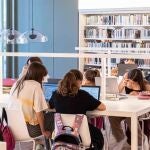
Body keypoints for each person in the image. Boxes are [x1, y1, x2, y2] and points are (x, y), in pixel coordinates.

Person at [49, 69, 106, 150]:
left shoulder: (56, 94)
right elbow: (102, 107)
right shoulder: (83, 95)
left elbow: (49, 105)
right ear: (78, 81)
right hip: (80, 136)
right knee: (98, 134)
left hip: (61, 135)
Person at [10, 62, 51, 148]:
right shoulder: (35, 86)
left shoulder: (16, 84)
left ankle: (40, 145)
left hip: (13, 129)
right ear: (39, 76)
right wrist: (43, 131)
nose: (43, 79)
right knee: (53, 116)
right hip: (29, 130)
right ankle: (45, 145)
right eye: (43, 76)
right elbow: (39, 113)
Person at [109, 69, 150, 149]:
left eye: (134, 82)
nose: (132, 83)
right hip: (127, 109)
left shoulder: (146, 85)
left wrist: (139, 94)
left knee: (130, 117)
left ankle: (141, 139)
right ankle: (120, 138)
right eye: (130, 81)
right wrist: (122, 84)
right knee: (112, 117)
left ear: (139, 80)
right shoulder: (126, 83)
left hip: (143, 110)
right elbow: (115, 93)